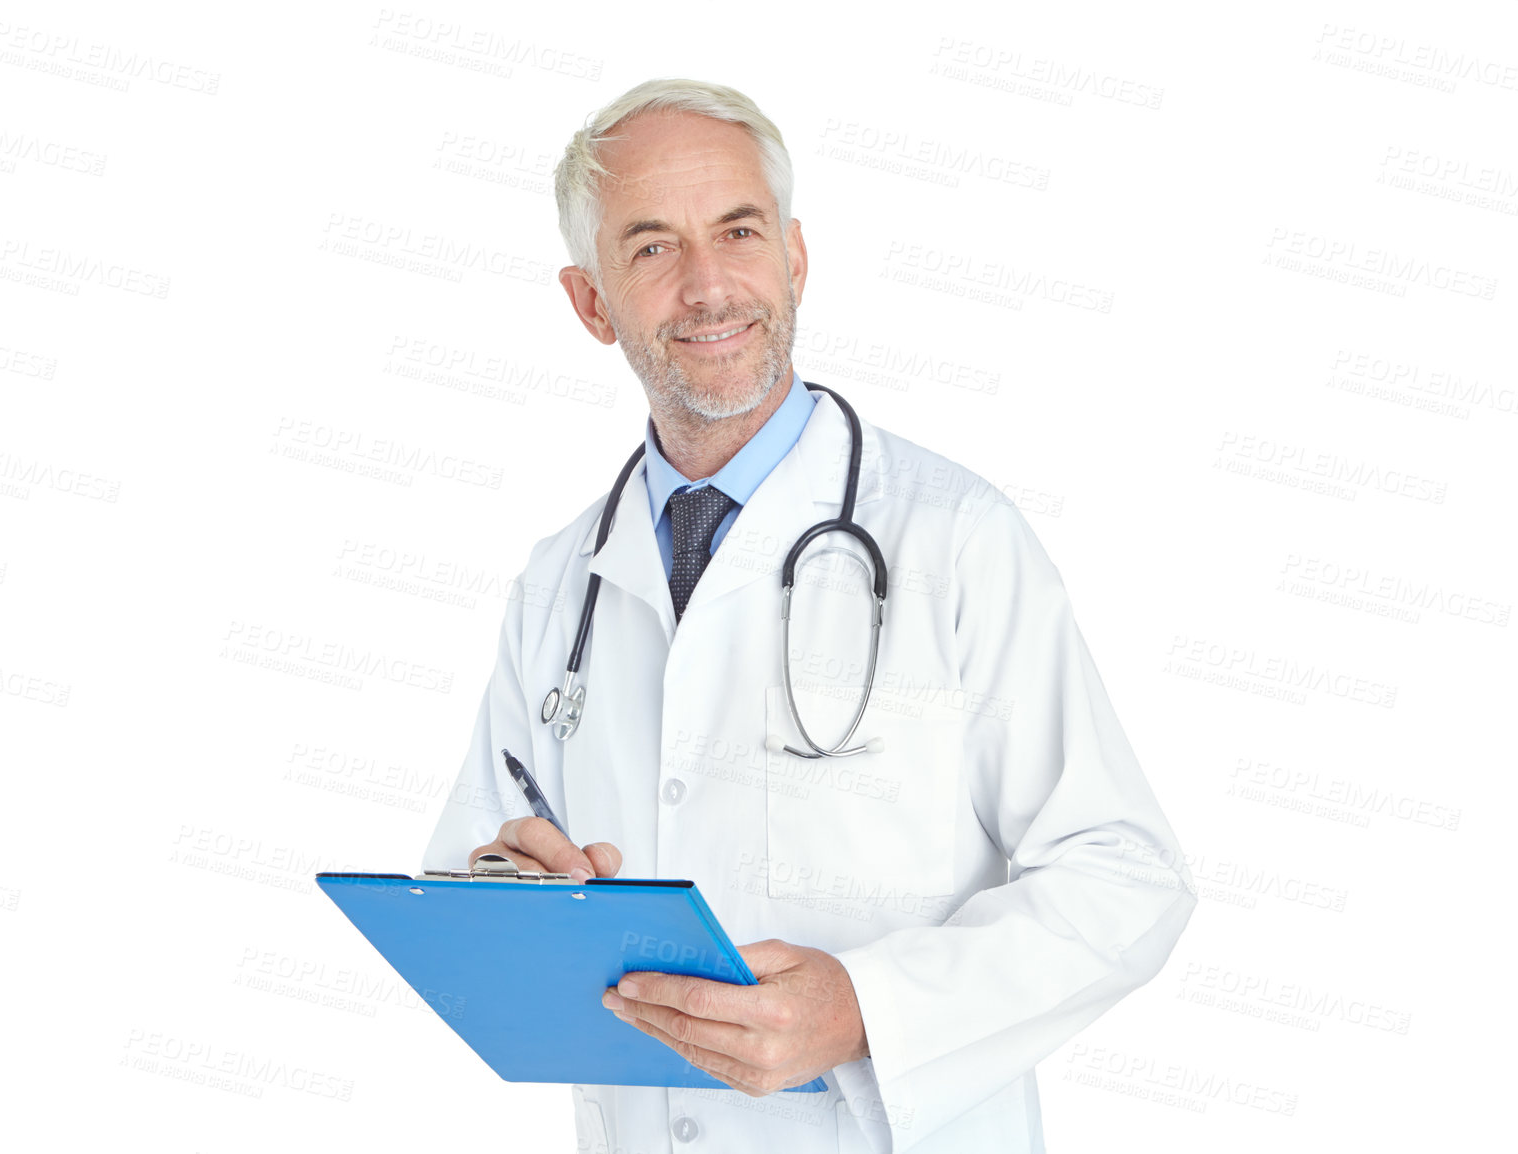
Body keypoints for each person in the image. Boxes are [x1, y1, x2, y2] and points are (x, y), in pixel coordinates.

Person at [422, 78, 1197, 1153]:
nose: (707, 286)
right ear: (590, 301)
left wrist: (869, 1009)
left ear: (793, 256)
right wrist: (514, 890)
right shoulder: (561, 583)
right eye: (650, 248)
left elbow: (1126, 875)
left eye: (737, 232)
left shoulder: (955, 538)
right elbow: (474, 863)